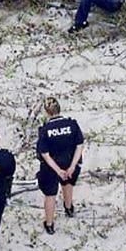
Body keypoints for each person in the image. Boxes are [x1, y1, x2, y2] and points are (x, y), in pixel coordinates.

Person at [36, 97, 84, 235]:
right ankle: (68, 208)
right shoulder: (72, 124)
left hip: (51, 167)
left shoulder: (45, 130)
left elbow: (44, 154)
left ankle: (49, 224)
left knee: (50, 195)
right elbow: (79, 145)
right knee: (68, 183)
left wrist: (58, 170)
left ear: (47, 112)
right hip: (70, 161)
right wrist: (72, 166)